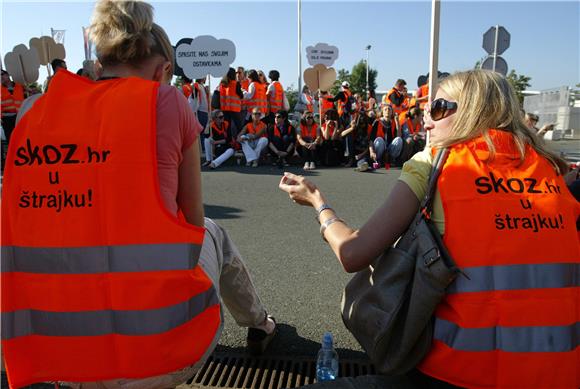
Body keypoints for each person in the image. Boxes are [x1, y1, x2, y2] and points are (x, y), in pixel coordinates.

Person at [1, 1, 276, 388]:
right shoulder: (167, 101)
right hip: (162, 352)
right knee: (214, 232)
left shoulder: (35, 114)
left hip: (62, 358)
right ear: (164, 70)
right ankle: (260, 324)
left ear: (98, 65)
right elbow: (193, 224)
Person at [279, 69, 579, 389]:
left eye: (437, 108)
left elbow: (352, 253)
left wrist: (318, 203)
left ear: (472, 110)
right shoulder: (552, 169)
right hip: (559, 377)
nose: (426, 121)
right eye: (425, 111)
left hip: (458, 375)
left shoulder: (436, 161)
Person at [1, 69, 26, 144]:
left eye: (2, 74)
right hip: (7, 119)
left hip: (20, 117)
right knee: (11, 140)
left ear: (8, 75)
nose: (1, 76)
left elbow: (31, 95)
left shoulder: (20, 87)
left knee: (22, 138)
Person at [219, 67, 244, 137]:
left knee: (227, 128)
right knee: (239, 127)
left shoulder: (222, 85)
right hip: (235, 109)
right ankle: (241, 143)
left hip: (225, 109)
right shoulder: (236, 84)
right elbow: (241, 96)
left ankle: (229, 143)